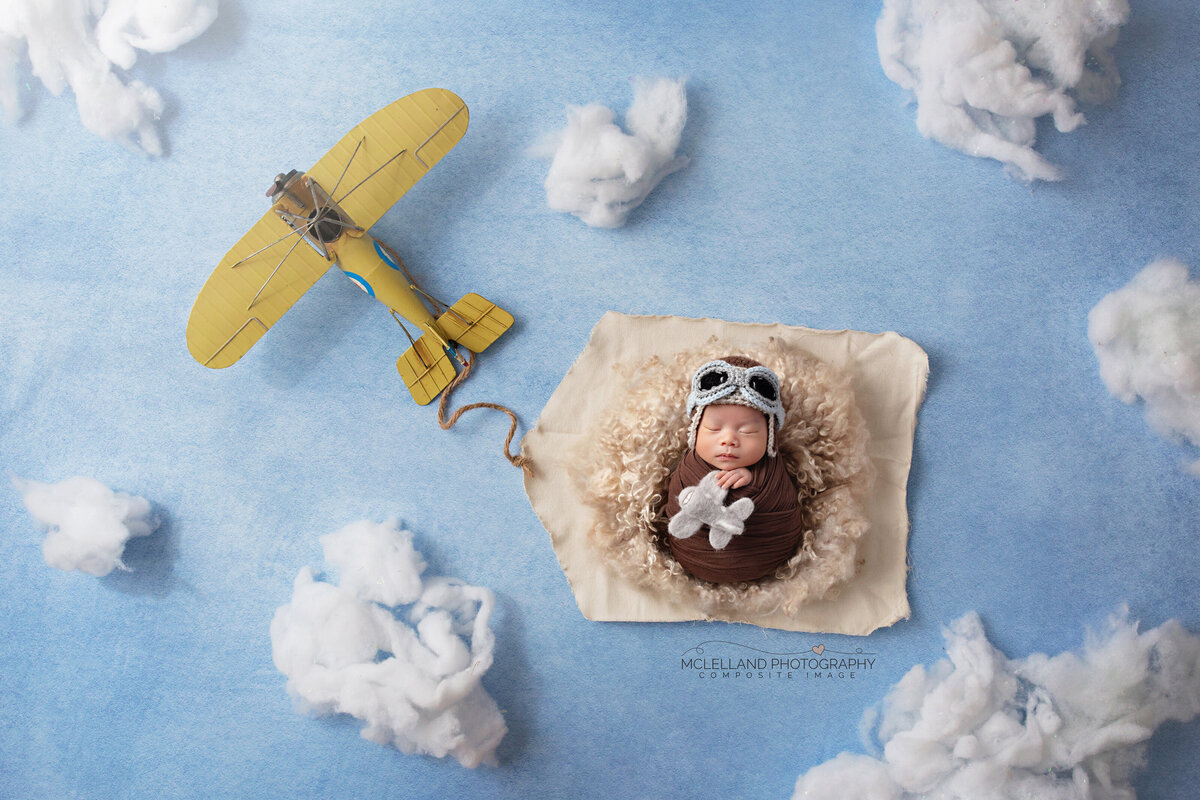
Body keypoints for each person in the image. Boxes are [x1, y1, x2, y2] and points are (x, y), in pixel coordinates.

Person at [664, 356, 804, 583]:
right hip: (693, 555)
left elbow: (780, 492)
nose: (728, 440)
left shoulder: (771, 466)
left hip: (765, 553)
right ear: (695, 430)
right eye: (714, 428)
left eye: (747, 431)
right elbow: (680, 497)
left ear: (770, 438)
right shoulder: (690, 466)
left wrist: (753, 478)